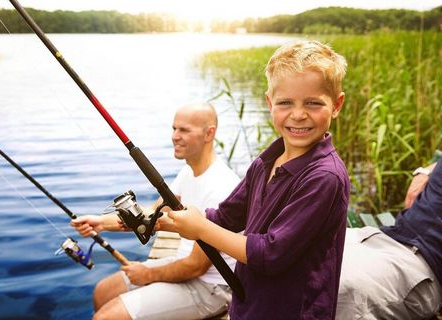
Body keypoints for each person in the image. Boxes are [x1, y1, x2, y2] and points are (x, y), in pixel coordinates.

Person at [167, 40, 350, 320]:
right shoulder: (265, 161)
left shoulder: (324, 177)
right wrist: (167, 220)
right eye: (285, 102)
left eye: (313, 103)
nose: (298, 114)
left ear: (336, 105)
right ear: (269, 103)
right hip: (248, 305)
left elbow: (269, 254)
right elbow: (226, 216)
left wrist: (201, 229)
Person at [71, 102, 241, 320]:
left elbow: (196, 266)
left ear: (209, 133)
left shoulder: (220, 187)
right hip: (184, 266)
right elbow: (150, 217)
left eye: (184, 130)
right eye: (174, 129)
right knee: (104, 291)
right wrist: (101, 223)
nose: (175, 136)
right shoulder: (189, 172)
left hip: (212, 288)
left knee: (105, 318)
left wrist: (148, 274)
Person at [337, 159, 442, 319]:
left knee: (335, 289)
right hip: (386, 238)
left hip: (421, 265)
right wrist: (426, 170)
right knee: (298, 256)